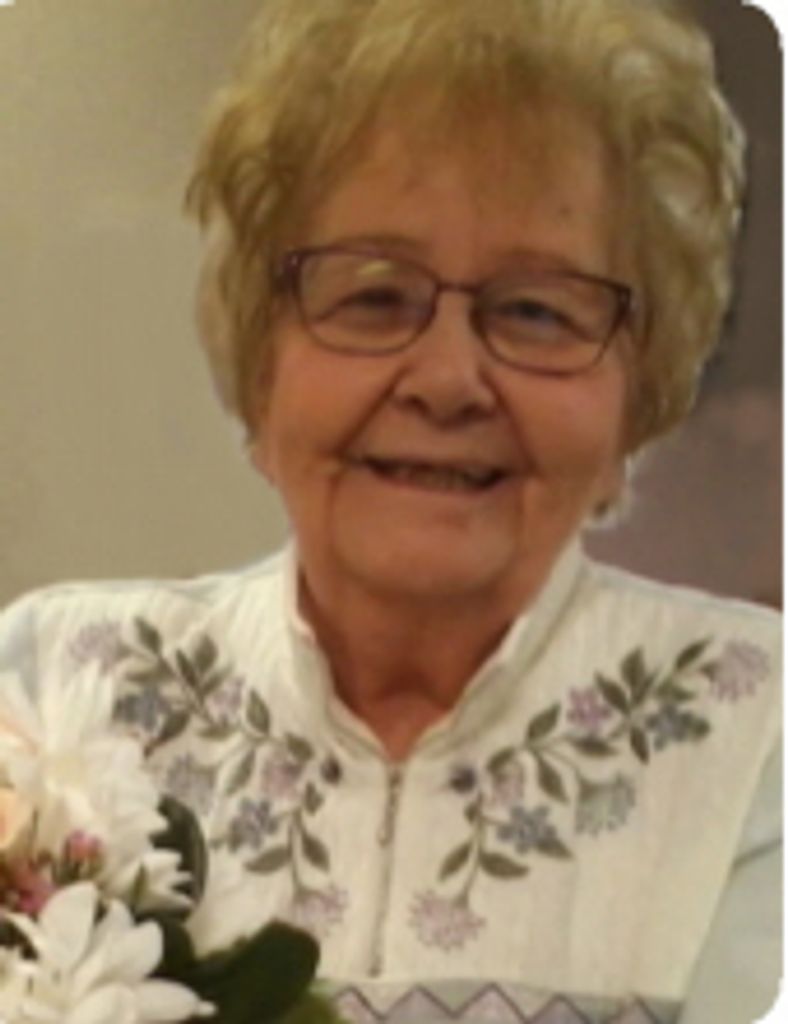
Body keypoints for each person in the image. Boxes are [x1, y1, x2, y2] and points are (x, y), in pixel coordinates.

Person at [0, 0, 780, 1021]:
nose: (448, 380)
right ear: (260, 360)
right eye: (371, 296)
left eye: (536, 310)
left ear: (641, 387)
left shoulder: (759, 735)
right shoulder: (53, 686)